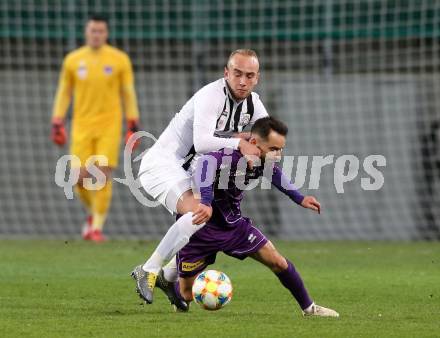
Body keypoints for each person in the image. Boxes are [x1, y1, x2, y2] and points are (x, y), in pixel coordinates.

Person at [132, 49, 268, 303]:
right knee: (199, 212)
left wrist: (270, 151)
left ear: (257, 78)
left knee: (209, 220)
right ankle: (148, 270)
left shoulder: (254, 103)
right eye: (237, 74)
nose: (242, 81)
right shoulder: (211, 95)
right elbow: (203, 142)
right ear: (226, 73)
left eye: (249, 76)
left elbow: (268, 137)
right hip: (161, 164)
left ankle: (167, 275)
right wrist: (240, 143)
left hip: (187, 171)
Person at [171, 116, 339, 317]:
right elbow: (205, 164)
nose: (278, 154)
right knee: (187, 294)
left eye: (281, 149)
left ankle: (309, 308)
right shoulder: (230, 155)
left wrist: (299, 198)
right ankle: (169, 281)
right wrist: (206, 202)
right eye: (274, 149)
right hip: (201, 227)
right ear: (253, 144)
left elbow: (274, 173)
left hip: (233, 226)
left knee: (277, 261)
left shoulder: (261, 158)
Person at [51, 15, 141, 242]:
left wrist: (133, 122)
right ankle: (94, 215)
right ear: (86, 32)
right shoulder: (73, 60)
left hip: (109, 125)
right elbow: (64, 91)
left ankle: (96, 227)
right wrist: (57, 120)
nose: (96, 35)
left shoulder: (119, 59)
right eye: (93, 30)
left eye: (100, 31)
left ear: (106, 33)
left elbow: (128, 92)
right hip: (81, 125)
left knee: (101, 175)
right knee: (78, 177)